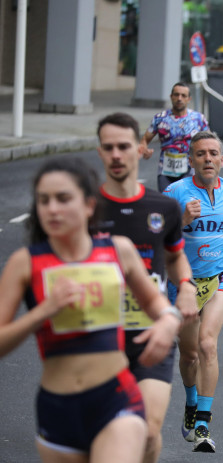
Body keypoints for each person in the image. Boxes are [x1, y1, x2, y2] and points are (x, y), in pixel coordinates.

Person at [0, 157, 181, 462]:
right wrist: (44, 310)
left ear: (88, 205)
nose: (52, 209)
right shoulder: (25, 263)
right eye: (44, 201)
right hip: (57, 409)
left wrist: (167, 319)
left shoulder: (117, 250)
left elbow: (155, 302)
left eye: (63, 199)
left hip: (114, 399)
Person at [96, 113, 198, 463]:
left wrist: (185, 284)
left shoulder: (163, 207)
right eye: (108, 148)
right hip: (98, 337)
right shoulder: (85, 208)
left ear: (139, 149)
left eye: (124, 146)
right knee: (106, 431)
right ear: (100, 152)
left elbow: (175, 257)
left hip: (150, 333)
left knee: (149, 431)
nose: (116, 155)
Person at [163, 131, 223, 453]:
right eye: (200, 154)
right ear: (191, 160)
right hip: (185, 281)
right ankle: (191, 402)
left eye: (213, 153)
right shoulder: (174, 192)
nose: (207, 159)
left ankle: (203, 421)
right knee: (188, 353)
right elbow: (158, 237)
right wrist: (182, 219)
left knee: (207, 344)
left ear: (221, 159)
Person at [140, 82, 209, 192]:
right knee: (167, 203)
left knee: (186, 202)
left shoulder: (198, 119)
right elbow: (145, 139)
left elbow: (209, 142)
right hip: (165, 170)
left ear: (189, 99)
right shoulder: (160, 118)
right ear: (171, 97)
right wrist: (144, 149)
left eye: (183, 95)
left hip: (189, 169)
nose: (179, 98)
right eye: (176, 95)